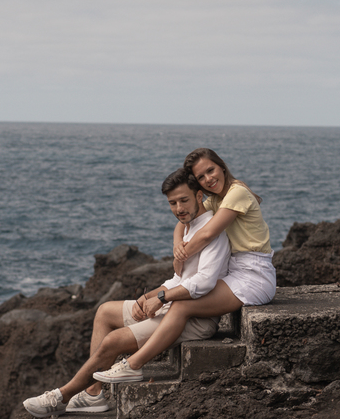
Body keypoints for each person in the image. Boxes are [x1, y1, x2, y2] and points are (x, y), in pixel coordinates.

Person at [22, 167, 231, 417]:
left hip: (195, 318)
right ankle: (93, 394)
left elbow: (204, 282)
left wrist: (161, 298)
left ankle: (60, 396)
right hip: (172, 304)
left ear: (199, 196)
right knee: (104, 312)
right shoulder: (188, 227)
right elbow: (179, 278)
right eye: (172, 203)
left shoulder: (212, 230)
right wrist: (151, 295)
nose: (178, 208)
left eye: (184, 200)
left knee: (113, 341)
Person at [92, 147, 276, 385]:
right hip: (236, 272)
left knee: (180, 305)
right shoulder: (216, 199)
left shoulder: (236, 193)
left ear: (221, 165)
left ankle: (133, 365)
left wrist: (182, 256)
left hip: (254, 275)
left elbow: (208, 233)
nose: (208, 179)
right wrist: (178, 245)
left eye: (210, 170)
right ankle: (104, 381)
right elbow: (183, 221)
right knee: (183, 297)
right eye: (201, 177)